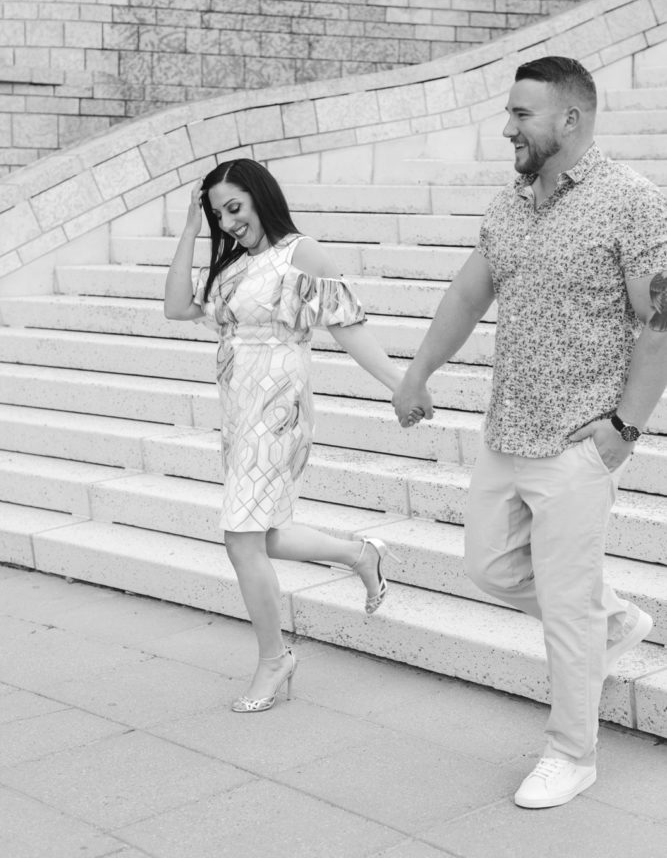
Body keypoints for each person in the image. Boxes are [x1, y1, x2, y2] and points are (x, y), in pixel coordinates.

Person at [393, 56, 667, 808]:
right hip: (507, 427)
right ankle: (612, 622)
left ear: (570, 119)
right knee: (488, 568)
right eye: (509, 112)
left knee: (567, 606)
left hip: (580, 440)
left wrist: (624, 428)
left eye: (521, 114)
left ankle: (571, 753)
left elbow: (659, 322)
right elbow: (466, 291)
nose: (506, 126)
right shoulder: (510, 203)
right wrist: (416, 374)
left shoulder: (632, 203)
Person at [164, 157, 402, 713]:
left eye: (234, 208)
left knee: (239, 538)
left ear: (260, 198)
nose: (227, 222)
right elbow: (176, 306)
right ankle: (360, 554)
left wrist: (400, 384)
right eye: (217, 213)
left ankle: (274, 659)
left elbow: (350, 328)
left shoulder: (300, 254)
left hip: (278, 408)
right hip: (239, 410)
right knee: (263, 536)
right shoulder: (232, 267)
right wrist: (190, 231)